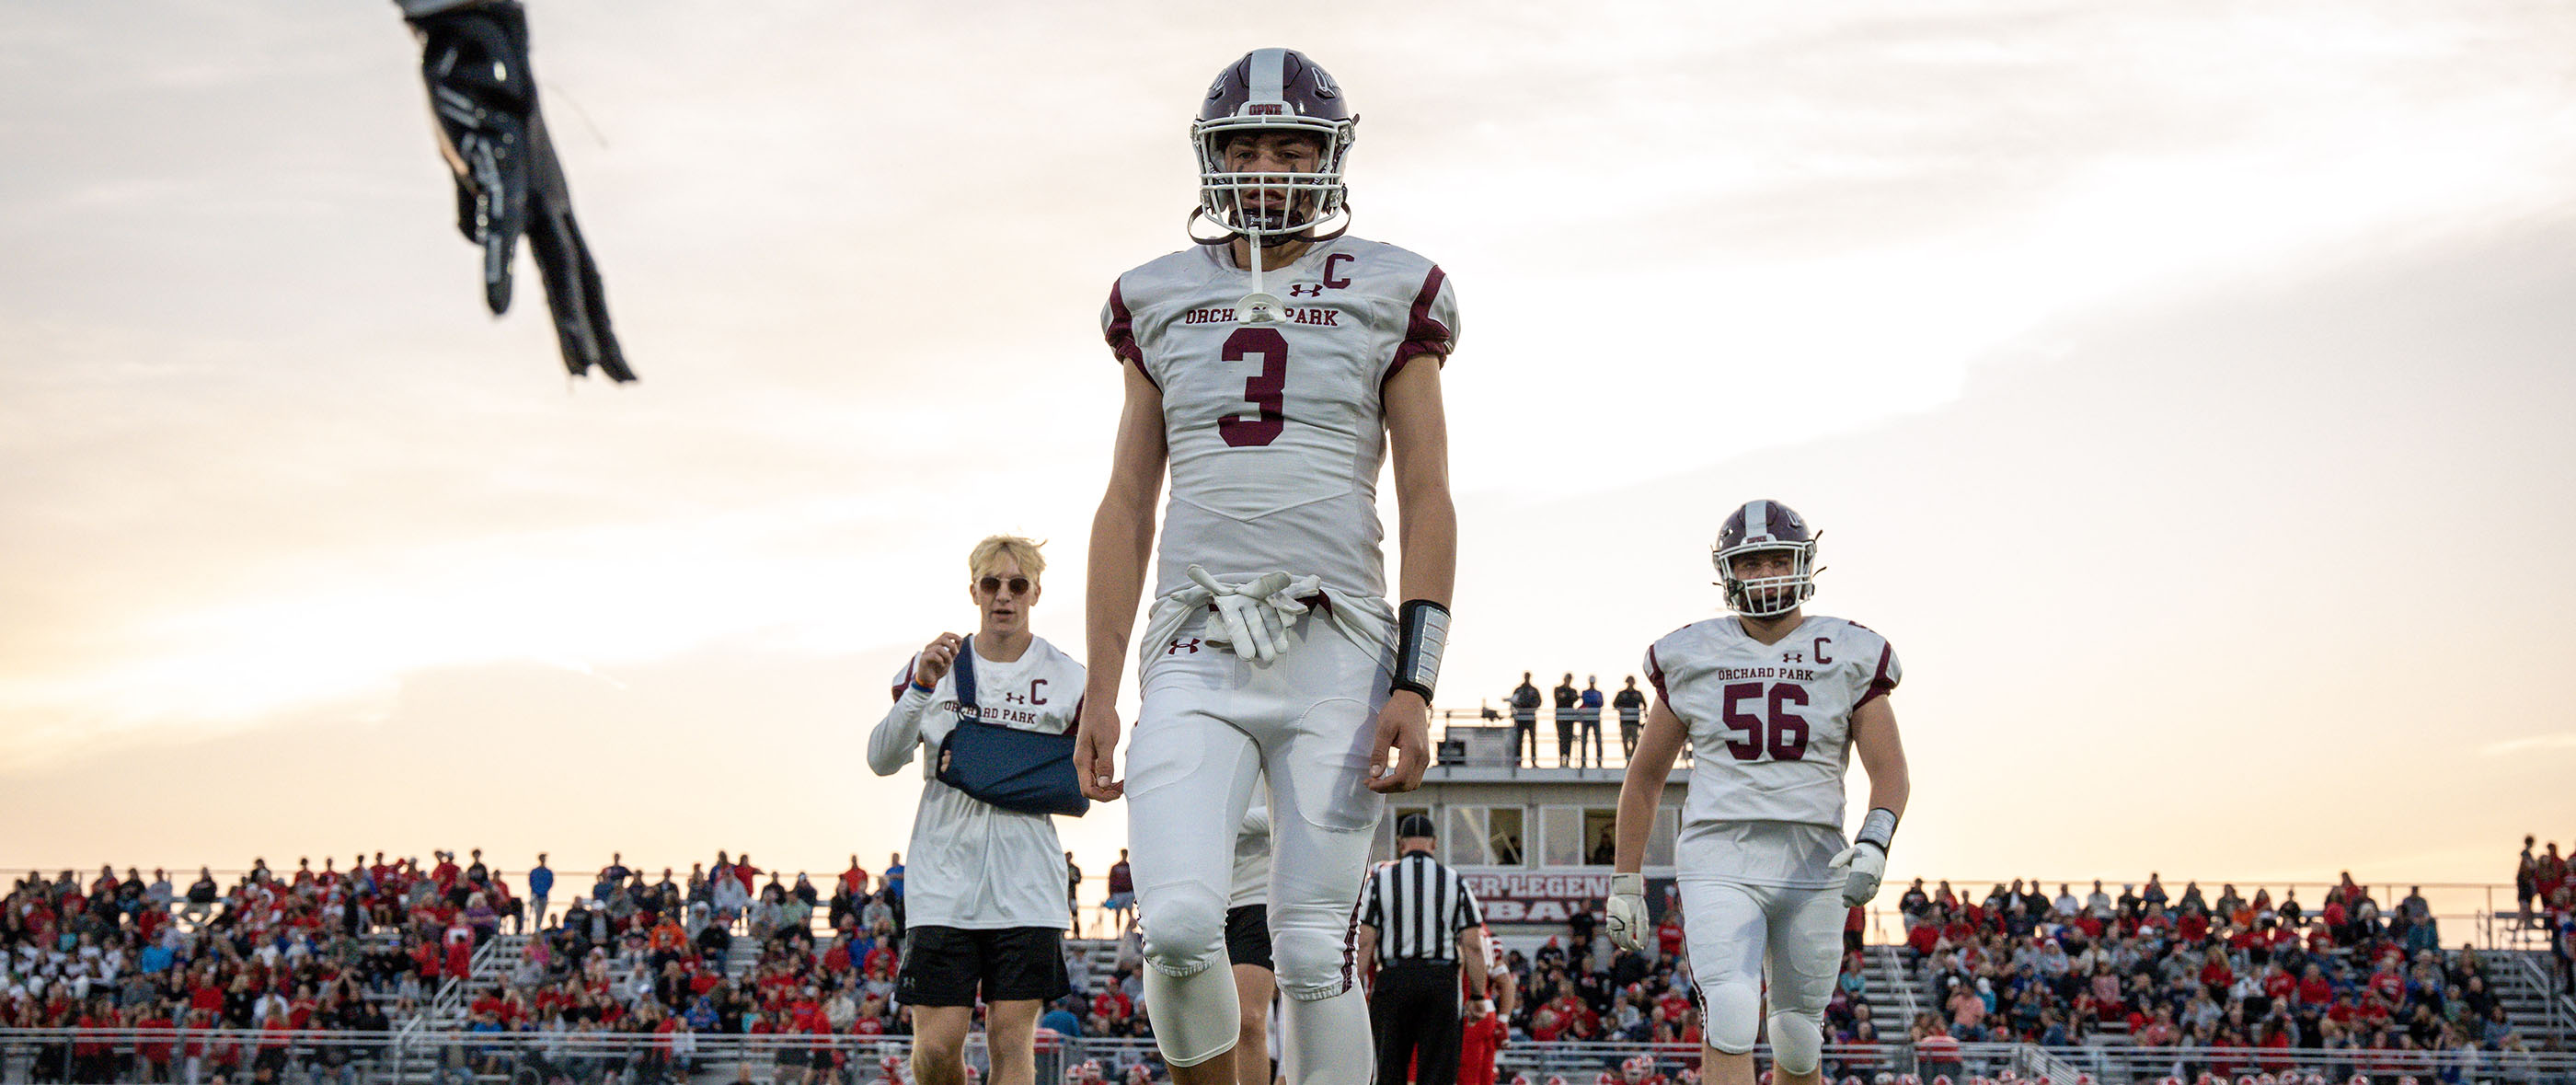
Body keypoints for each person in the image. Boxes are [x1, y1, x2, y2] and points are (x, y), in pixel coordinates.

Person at [1075, 46, 1459, 1085]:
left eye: (1294, 147)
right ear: (1211, 159)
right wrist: (1101, 686)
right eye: (1245, 147)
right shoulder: (1153, 295)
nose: (1268, 168)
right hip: (1195, 639)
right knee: (1182, 925)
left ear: (1331, 159)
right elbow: (1126, 502)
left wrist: (1417, 680)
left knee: (1305, 944)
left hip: (1337, 642)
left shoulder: (1393, 285)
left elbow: (1426, 492)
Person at [1605, 500, 1913, 1085]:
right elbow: (1644, 777)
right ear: (1728, 574)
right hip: (1719, 854)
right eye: (1752, 564)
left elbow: (1890, 769)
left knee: (1797, 1036)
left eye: (1777, 561)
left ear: (1804, 565)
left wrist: (1875, 841)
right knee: (1731, 1009)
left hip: (1814, 857)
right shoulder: (1692, 653)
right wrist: (1625, 881)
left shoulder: (1847, 651)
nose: (1766, 575)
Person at [868, 535, 1083, 1085]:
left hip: (1027, 883)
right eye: (992, 584)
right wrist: (920, 688)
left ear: (1036, 592)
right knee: (938, 1048)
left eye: (1017, 585)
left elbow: (1087, 773)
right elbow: (881, 758)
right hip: (943, 881)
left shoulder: (1069, 677)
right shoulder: (931, 666)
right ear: (974, 592)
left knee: (1011, 1041)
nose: (1004, 596)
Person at [1359, 813, 1489, 1085]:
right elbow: (1473, 945)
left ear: (1400, 843)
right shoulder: (1454, 881)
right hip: (1439, 981)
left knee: (1390, 1067)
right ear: (1434, 843)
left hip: (1393, 979)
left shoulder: (1380, 881)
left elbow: (1365, 941)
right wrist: (1478, 995)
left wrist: (1356, 991)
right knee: (1438, 1071)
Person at [1229, 803, 1277, 1085]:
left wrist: (1214, 816)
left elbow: (1291, 809)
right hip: (1197, 892)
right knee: (1195, 1028)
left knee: (1248, 1020)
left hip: (1255, 896)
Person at [1510, 674, 1543, 767]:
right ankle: (1518, 761)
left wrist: (1531, 706)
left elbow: (1539, 701)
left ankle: (1533, 760)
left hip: (1531, 717)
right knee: (1519, 739)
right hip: (1520, 717)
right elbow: (1514, 701)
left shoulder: (1534, 690)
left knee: (1532, 739)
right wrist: (1520, 706)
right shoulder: (1519, 690)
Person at [1613, 676, 1648, 760]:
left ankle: (1633, 759)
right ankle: (1627, 758)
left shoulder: (1638, 694)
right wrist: (1619, 708)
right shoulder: (1621, 694)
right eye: (1629, 681)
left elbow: (1645, 705)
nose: (1630, 683)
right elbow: (1614, 704)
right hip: (1624, 722)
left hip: (1635, 722)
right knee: (1625, 741)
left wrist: (1643, 713)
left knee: (1635, 741)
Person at [1105, 850, 1136, 932]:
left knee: (1129, 912)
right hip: (1118, 893)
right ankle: (1118, 932)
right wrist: (1110, 893)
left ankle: (1130, 931)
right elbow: (1111, 880)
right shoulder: (1115, 867)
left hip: (1128, 893)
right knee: (1118, 913)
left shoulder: (1130, 867)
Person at [1553, 674, 1580, 766]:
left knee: (1569, 740)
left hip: (1570, 718)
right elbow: (1559, 700)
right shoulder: (1558, 689)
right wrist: (1568, 697)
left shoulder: (1573, 691)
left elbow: (1575, 698)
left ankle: (1567, 760)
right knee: (1561, 739)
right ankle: (1561, 760)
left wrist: (1566, 696)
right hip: (1561, 718)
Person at [1579, 676, 1605, 767]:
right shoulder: (1585, 692)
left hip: (1595, 718)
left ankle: (1599, 761)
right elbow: (1587, 701)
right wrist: (1594, 701)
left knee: (1598, 739)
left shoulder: (1599, 693)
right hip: (1586, 718)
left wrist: (1592, 702)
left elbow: (1601, 703)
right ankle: (1583, 761)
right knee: (1584, 740)